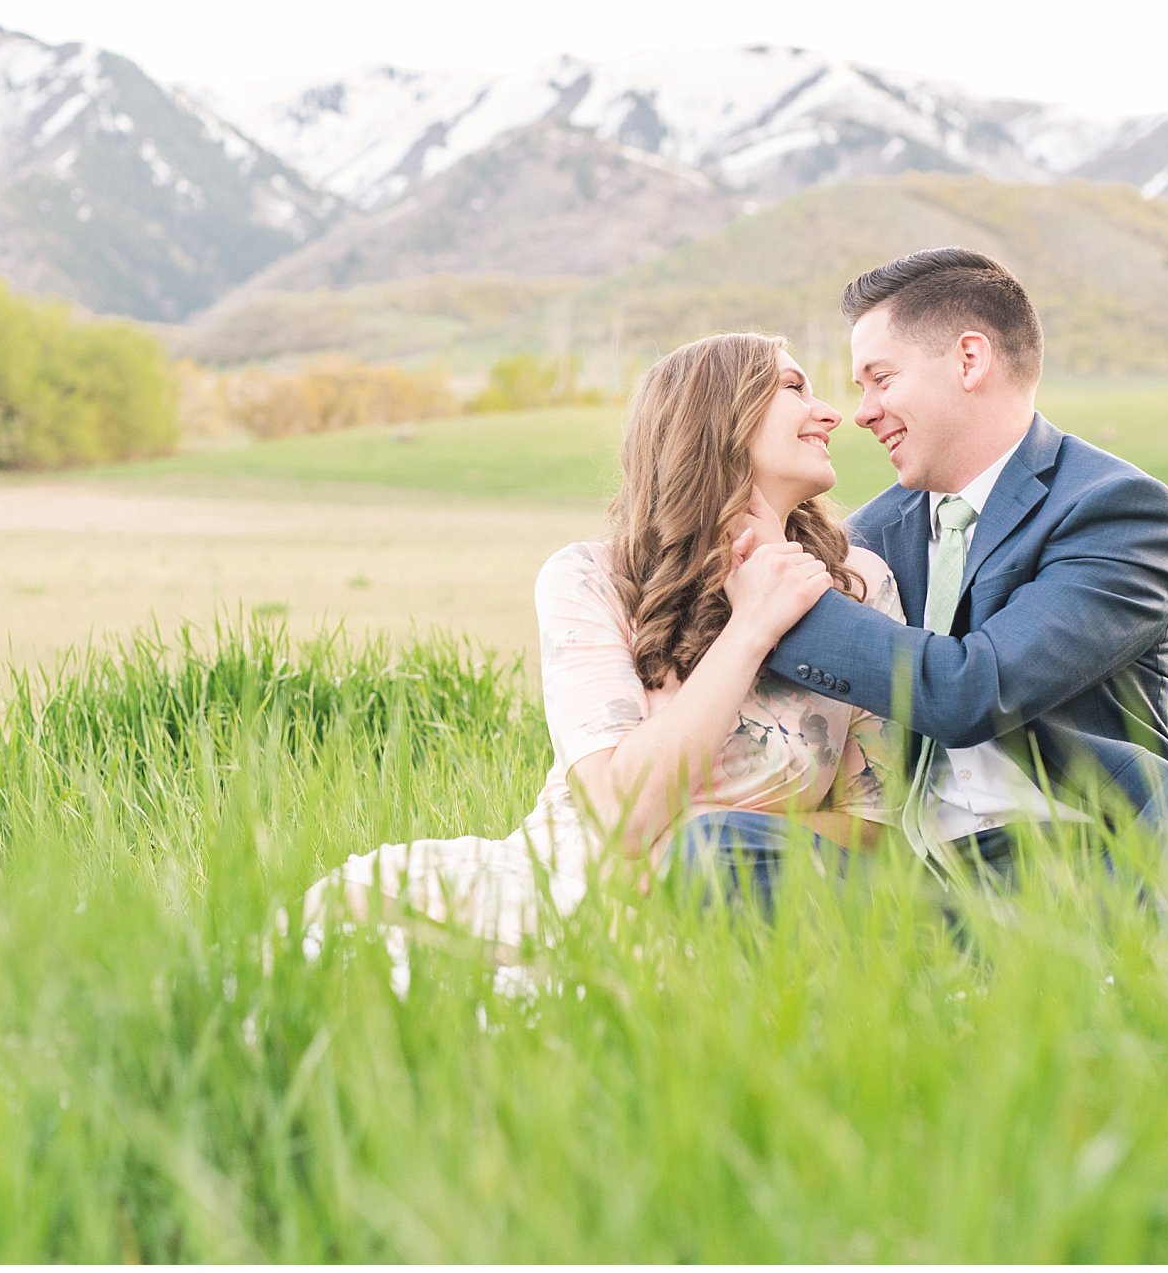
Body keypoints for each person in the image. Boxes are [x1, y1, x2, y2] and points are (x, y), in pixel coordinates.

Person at [300, 333, 904, 951]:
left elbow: (877, 826)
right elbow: (622, 820)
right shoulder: (590, 580)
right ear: (719, 415)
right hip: (565, 883)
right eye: (795, 388)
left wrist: (711, 835)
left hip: (732, 901)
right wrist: (750, 629)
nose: (831, 412)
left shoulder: (859, 585)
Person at [754, 248, 1168, 883]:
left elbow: (972, 691)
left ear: (969, 359)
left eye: (882, 379)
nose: (863, 411)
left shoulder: (1116, 510)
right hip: (922, 887)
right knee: (712, 844)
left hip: (1100, 858)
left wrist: (774, 607)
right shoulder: (867, 536)